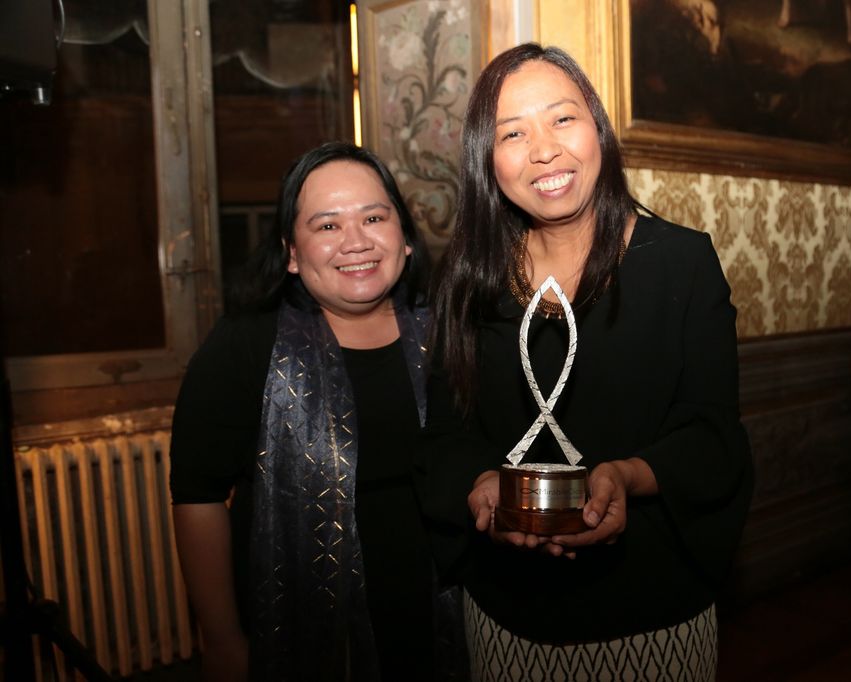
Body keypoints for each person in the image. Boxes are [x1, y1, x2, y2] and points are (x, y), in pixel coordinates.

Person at [417, 43, 754, 681]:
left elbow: (714, 440)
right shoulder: (468, 279)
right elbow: (444, 436)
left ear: (598, 129)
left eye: (562, 119)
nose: (544, 149)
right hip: (507, 613)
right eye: (513, 133)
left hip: (650, 608)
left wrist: (626, 476)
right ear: (487, 161)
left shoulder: (680, 263)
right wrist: (482, 485)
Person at [170, 142, 456, 681]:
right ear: (293, 254)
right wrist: (223, 638)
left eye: (374, 217)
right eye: (327, 226)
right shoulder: (247, 343)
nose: (356, 242)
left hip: (441, 617)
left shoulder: (449, 332)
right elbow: (198, 496)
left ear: (405, 238)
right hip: (303, 634)